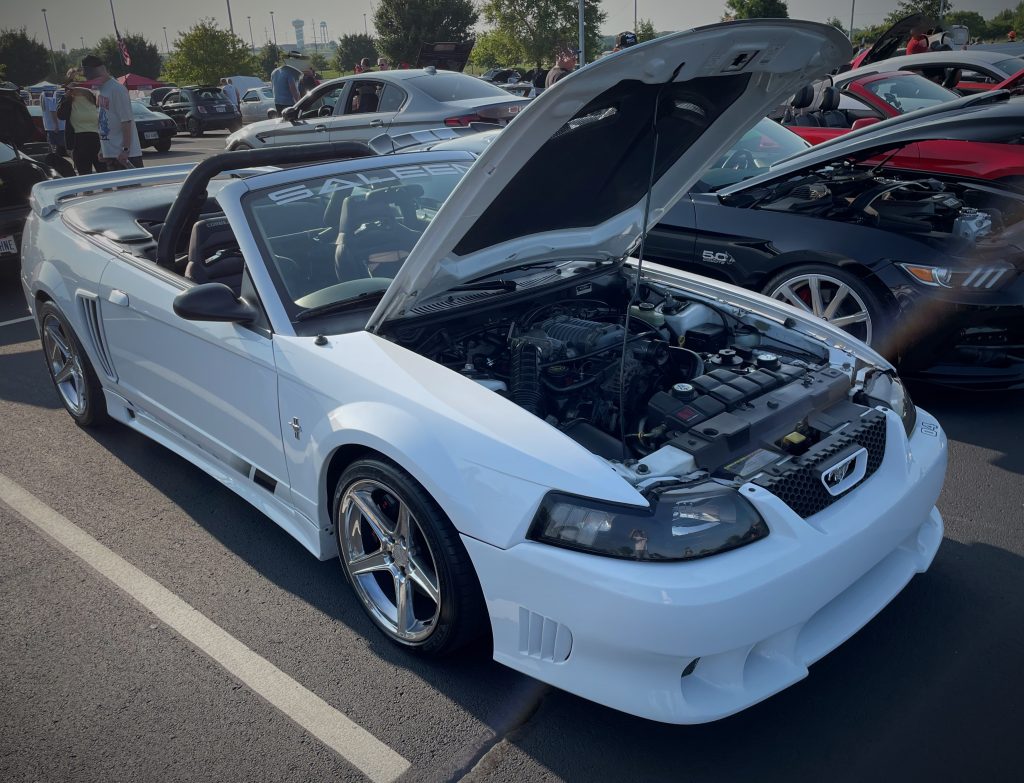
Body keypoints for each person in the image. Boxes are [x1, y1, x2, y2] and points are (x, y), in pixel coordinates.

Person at [82, 54, 142, 169]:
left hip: (125, 155)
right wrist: (102, 149)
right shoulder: (100, 90)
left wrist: (125, 149)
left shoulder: (117, 89)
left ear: (100, 70)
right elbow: (105, 120)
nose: (89, 80)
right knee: (119, 187)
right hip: (110, 154)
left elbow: (127, 121)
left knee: (131, 187)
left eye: (90, 76)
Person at [58, 68, 102, 174]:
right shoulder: (69, 100)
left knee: (104, 174)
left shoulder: (93, 98)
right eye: (71, 85)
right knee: (85, 175)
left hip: (97, 140)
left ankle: (109, 191)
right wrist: (65, 98)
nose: (72, 88)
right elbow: (61, 115)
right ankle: (88, 191)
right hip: (78, 140)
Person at [40, 88, 67, 155]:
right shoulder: (51, 98)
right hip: (58, 127)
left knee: (53, 147)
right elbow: (53, 111)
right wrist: (56, 125)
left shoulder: (43, 96)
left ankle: (55, 161)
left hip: (50, 126)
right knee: (59, 147)